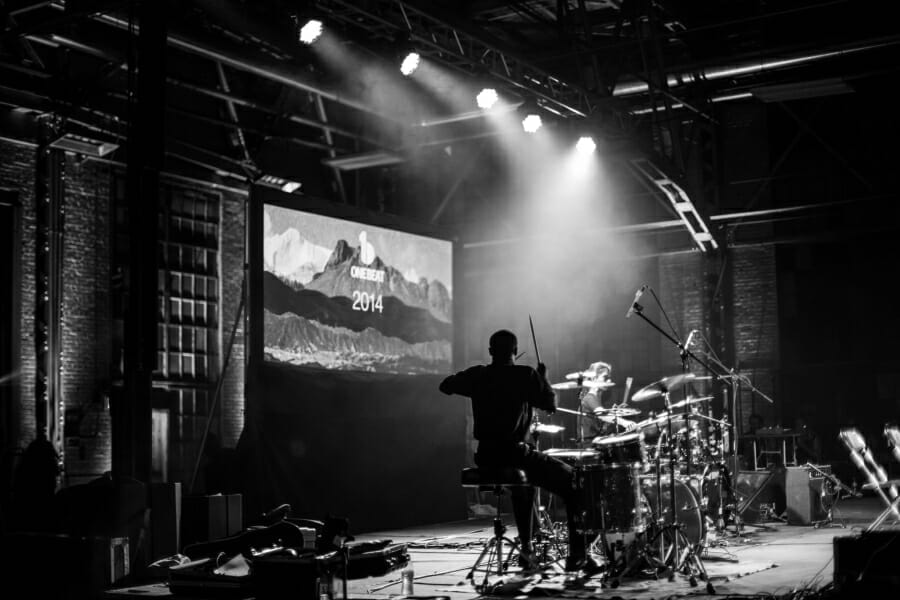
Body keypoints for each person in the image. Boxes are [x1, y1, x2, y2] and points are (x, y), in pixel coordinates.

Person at [439, 330, 600, 574]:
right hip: (515, 453)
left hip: (486, 456)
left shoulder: (478, 374)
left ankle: (527, 549)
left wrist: (479, 382)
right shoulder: (525, 375)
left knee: (524, 485)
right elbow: (550, 404)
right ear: (515, 351)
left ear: (491, 351)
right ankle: (578, 556)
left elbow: (445, 385)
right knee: (575, 481)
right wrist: (542, 378)